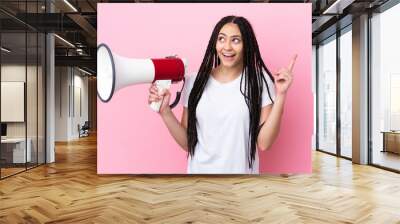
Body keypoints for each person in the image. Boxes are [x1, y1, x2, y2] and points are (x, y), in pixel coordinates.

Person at [148, 15, 296, 174]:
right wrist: (165, 112)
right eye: (221, 39)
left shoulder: (258, 81)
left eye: (236, 40)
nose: (227, 47)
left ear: (247, 45)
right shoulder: (194, 82)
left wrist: (281, 95)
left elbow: (264, 143)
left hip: (241, 185)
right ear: (215, 43)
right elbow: (188, 143)